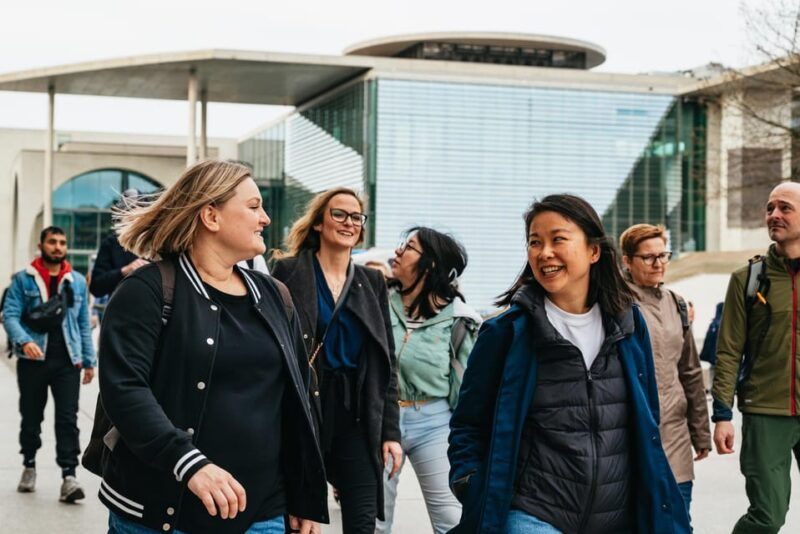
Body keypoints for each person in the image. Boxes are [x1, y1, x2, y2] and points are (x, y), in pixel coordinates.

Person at [98, 160, 326, 534]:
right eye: (253, 207)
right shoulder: (147, 291)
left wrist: (303, 494)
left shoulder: (274, 295)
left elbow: (296, 400)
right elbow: (125, 390)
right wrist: (188, 463)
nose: (265, 218)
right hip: (161, 515)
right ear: (211, 216)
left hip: (262, 514)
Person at [448, 194, 690, 534]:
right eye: (535, 242)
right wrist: (470, 483)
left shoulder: (629, 326)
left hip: (617, 518)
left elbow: (646, 417)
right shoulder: (506, 332)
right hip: (531, 514)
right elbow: (468, 424)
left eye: (558, 239)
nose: (544, 252)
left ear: (593, 251)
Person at [271, 187, 402, 534]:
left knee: (363, 517)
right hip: (304, 406)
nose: (349, 222)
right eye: (339, 214)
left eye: (356, 216)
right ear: (318, 223)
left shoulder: (371, 280)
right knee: (298, 519)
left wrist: (390, 431)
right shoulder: (288, 271)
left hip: (355, 411)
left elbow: (386, 360)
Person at [374, 227, 481, 534]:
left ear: (430, 264)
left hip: (433, 422)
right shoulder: (378, 300)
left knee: (451, 520)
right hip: (382, 419)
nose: (396, 252)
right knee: (375, 522)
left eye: (407, 248)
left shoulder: (461, 319)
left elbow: (466, 389)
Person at [712, 182, 800, 533]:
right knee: (766, 516)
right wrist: (722, 414)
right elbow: (729, 349)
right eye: (770, 208)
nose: (774, 215)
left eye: (785, 208)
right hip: (766, 410)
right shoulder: (747, 279)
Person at [620, 223, 711, 521]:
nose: (658, 263)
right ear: (627, 261)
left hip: (676, 437)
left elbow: (691, 372)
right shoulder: (614, 304)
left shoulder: (677, 304)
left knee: (680, 521)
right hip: (631, 438)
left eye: (663, 255)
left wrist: (701, 433)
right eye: (648, 257)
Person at [2, 226, 95, 502]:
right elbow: (9, 315)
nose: (57, 247)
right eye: (52, 242)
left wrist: (89, 361)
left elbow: (82, 323)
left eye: (62, 243)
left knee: (68, 419)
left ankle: (69, 476)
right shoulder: (23, 280)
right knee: (31, 417)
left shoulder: (76, 281)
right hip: (33, 361)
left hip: (68, 361)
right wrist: (23, 341)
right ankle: (29, 465)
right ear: (41, 245)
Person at [90, 188, 149, 299]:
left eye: (139, 214)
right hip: (120, 311)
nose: (134, 219)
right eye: (128, 213)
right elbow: (95, 287)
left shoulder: (157, 243)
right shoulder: (111, 243)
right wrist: (124, 271)